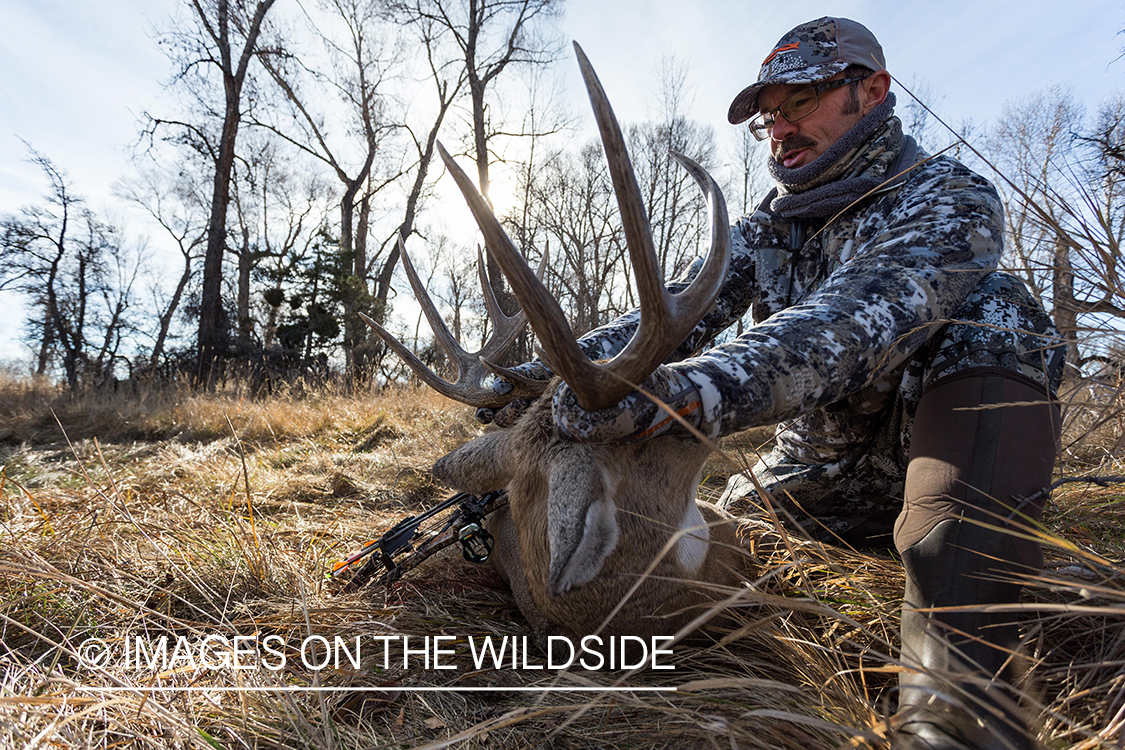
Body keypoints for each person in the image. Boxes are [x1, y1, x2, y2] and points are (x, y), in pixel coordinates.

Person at [478, 17, 1064, 750]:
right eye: (767, 116)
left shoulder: (948, 199)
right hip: (808, 487)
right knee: (706, 558)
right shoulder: (767, 230)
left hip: (925, 465)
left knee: (998, 311)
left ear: (871, 90)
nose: (777, 126)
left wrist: (690, 391)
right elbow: (674, 313)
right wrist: (540, 377)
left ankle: (954, 703)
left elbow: (851, 321)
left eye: (799, 102)